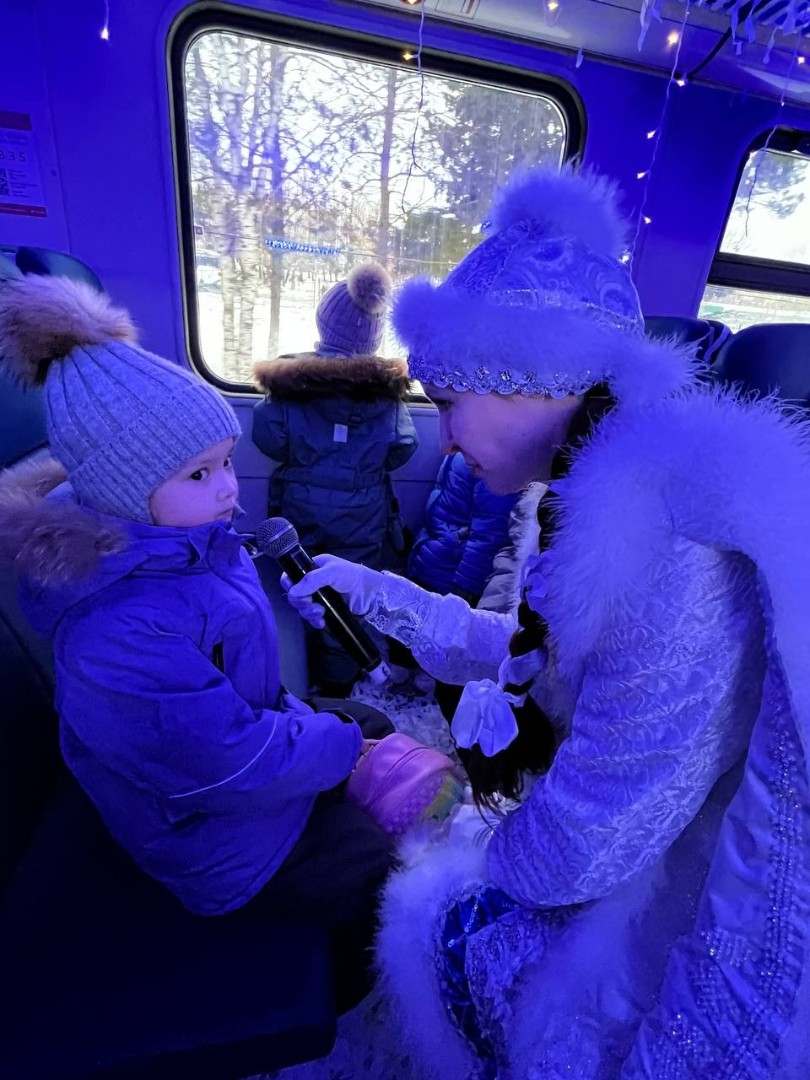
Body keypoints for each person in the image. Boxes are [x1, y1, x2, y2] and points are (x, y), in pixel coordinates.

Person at [283, 165, 810, 1076]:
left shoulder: (657, 537)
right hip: (623, 824)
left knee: (441, 914)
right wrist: (374, 592)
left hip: (682, 882)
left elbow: (595, 834)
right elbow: (531, 656)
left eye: (448, 403)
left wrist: (478, 848)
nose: (445, 439)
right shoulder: (582, 489)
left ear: (527, 376)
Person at [0, 272, 397, 1011]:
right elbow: (221, 761)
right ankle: (336, 998)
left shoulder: (185, 540)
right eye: (199, 474)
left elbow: (239, 695)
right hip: (204, 831)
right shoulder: (116, 634)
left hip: (231, 745)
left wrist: (331, 736)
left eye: (224, 462)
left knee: (367, 722)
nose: (228, 489)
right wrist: (338, 750)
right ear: (124, 490)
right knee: (378, 872)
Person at [252, 262, 418, 693]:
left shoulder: (291, 384)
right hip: (363, 511)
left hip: (301, 505)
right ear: (374, 338)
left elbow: (268, 437)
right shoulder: (387, 394)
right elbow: (404, 446)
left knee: (301, 580)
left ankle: (301, 671)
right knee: (346, 589)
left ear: (322, 324)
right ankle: (341, 678)